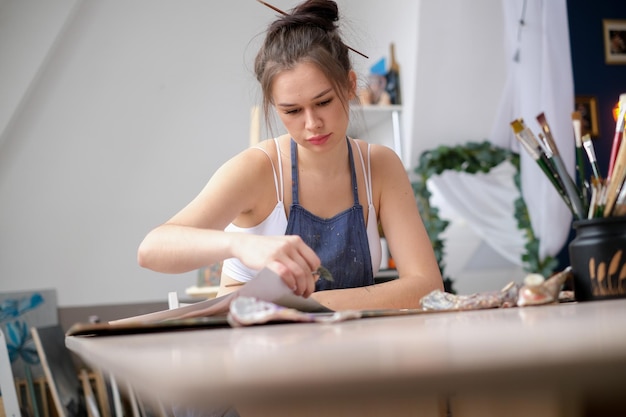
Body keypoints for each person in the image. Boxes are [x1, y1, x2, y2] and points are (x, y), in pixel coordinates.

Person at [137, 0, 443, 313]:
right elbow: (152, 249)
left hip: (349, 347)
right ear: (274, 107)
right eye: (292, 111)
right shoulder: (257, 169)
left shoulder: (379, 166)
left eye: (323, 102)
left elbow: (427, 286)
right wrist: (240, 245)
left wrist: (301, 304)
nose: (312, 124)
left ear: (350, 86)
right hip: (254, 350)